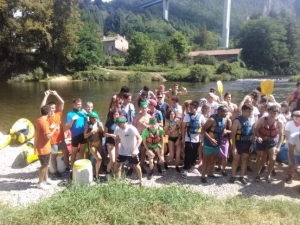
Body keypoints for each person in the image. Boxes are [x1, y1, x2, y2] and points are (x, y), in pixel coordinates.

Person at [41, 90, 69, 178]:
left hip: (61, 139)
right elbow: (42, 107)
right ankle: (56, 171)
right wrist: (46, 96)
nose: (52, 109)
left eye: (53, 108)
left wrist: (56, 94)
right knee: (54, 155)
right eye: (50, 108)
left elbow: (62, 102)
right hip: (52, 141)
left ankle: (67, 167)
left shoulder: (58, 113)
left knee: (66, 152)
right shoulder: (46, 117)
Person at [255, 105, 284, 182]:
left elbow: (281, 136)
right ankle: (257, 174)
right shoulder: (262, 120)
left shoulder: (279, 123)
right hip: (261, 140)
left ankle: (268, 175)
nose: (273, 114)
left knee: (273, 158)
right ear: (268, 112)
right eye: (271, 112)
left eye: (275, 113)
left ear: (277, 114)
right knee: (260, 157)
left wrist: (278, 147)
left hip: (271, 141)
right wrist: (258, 137)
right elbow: (256, 130)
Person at [201, 106, 229, 183]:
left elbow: (223, 128)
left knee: (214, 158)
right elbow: (203, 129)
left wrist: (224, 131)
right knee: (206, 159)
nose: (226, 113)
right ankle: (203, 176)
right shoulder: (211, 120)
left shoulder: (225, 119)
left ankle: (210, 173)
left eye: (227, 112)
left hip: (217, 142)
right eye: (225, 112)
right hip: (208, 142)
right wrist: (210, 139)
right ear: (219, 112)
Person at [34, 105, 59, 190]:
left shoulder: (39, 119)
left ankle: (46, 179)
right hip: (43, 147)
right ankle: (40, 183)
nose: (52, 113)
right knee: (44, 165)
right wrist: (55, 129)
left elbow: (42, 130)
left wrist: (50, 127)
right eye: (51, 111)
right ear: (48, 113)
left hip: (42, 146)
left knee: (46, 165)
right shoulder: (44, 122)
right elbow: (47, 136)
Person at [229, 104, 255, 184]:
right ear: (243, 111)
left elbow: (253, 134)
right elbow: (232, 134)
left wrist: (252, 144)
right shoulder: (237, 121)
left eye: (251, 111)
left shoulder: (252, 120)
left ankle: (242, 176)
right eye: (248, 111)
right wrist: (234, 146)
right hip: (238, 142)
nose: (250, 113)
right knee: (236, 160)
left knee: (245, 160)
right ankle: (233, 176)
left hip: (247, 143)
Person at [114, 115, 143, 185]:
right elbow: (116, 139)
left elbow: (140, 138)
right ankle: (118, 182)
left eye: (119, 123)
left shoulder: (131, 128)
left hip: (132, 151)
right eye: (117, 123)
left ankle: (140, 180)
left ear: (124, 122)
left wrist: (135, 149)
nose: (118, 125)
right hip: (122, 151)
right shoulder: (117, 129)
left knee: (136, 165)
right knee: (118, 166)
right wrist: (116, 151)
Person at [181, 101, 203, 178]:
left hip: (197, 138)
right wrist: (183, 138)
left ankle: (192, 167)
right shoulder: (187, 116)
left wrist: (202, 139)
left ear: (196, 108)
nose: (190, 109)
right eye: (189, 108)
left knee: (194, 154)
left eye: (191, 108)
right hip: (189, 138)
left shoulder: (201, 116)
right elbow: (183, 128)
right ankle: (186, 169)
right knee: (188, 154)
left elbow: (204, 127)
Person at [65, 98, 87, 168]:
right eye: (78, 104)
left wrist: (86, 114)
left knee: (82, 152)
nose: (79, 106)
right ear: (73, 104)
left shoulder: (83, 113)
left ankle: (82, 166)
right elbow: (67, 127)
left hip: (83, 134)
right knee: (73, 153)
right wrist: (72, 120)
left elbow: (87, 122)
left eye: (80, 104)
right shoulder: (69, 114)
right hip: (75, 135)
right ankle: (72, 167)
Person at [84, 112, 103, 183]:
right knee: (99, 159)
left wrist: (100, 128)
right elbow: (85, 136)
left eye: (94, 118)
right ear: (90, 118)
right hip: (92, 144)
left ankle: (96, 173)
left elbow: (103, 132)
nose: (93, 120)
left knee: (97, 160)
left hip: (99, 143)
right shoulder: (87, 124)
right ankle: (97, 176)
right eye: (92, 118)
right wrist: (91, 132)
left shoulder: (98, 123)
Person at [132, 101, 151, 174]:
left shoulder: (149, 117)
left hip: (145, 136)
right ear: (140, 108)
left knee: (143, 151)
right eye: (143, 108)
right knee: (135, 151)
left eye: (145, 108)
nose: (144, 109)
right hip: (137, 136)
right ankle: (131, 166)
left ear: (147, 108)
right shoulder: (137, 116)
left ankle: (141, 165)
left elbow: (152, 127)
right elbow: (133, 127)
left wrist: (146, 125)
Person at [104, 109, 120, 175]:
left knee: (118, 160)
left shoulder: (121, 122)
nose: (116, 116)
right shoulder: (108, 123)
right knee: (112, 160)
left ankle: (116, 173)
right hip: (110, 142)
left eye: (117, 114)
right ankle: (107, 172)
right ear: (112, 115)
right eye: (114, 114)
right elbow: (104, 133)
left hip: (119, 143)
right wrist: (111, 135)